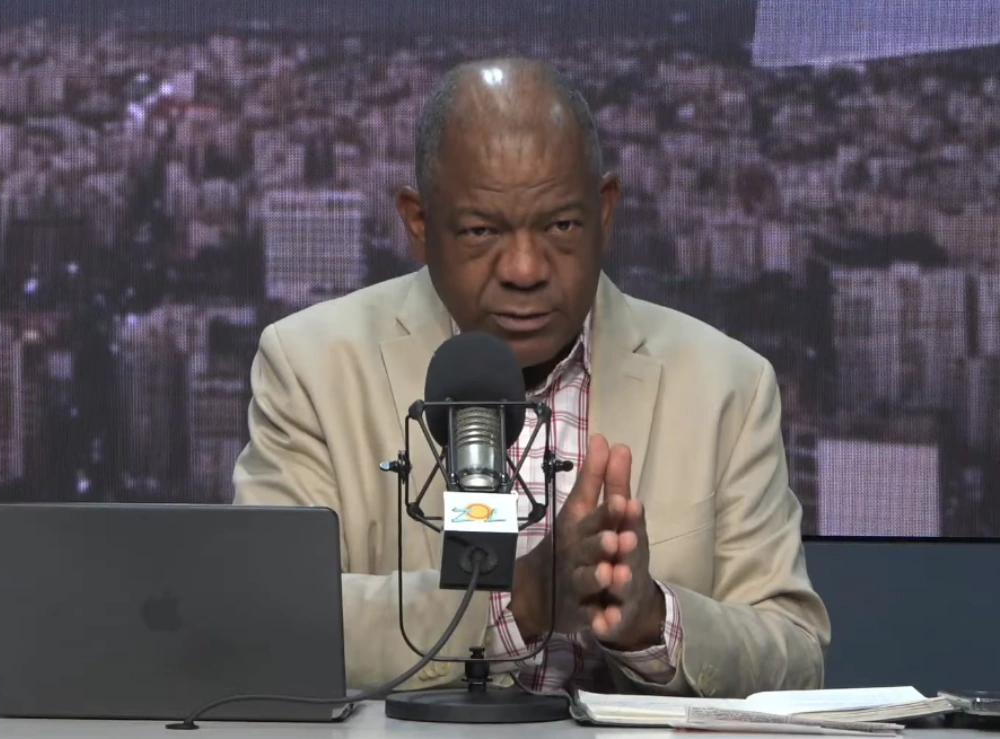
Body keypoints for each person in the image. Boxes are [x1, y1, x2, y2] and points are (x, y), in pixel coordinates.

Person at [232, 57, 830, 698]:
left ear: (605, 211)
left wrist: (653, 621)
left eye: (560, 226)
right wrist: (521, 601)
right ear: (419, 224)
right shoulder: (312, 366)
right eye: (481, 231)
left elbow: (796, 656)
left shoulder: (727, 385)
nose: (524, 269)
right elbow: (266, 620)